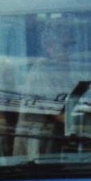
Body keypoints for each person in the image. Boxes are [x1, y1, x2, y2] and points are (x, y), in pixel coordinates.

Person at [14, 20, 79, 158]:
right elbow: (59, 114)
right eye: (65, 46)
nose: (70, 52)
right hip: (37, 148)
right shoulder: (41, 71)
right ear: (50, 47)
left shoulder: (63, 69)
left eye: (72, 45)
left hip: (55, 143)